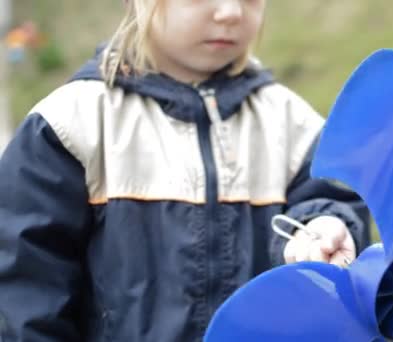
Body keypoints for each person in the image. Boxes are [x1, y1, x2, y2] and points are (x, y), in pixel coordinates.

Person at [0, 0, 370, 341]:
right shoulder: (70, 127)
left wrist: (327, 227)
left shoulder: (294, 126)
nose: (231, 12)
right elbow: (24, 294)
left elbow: (330, 200)